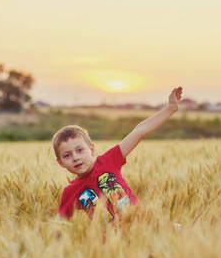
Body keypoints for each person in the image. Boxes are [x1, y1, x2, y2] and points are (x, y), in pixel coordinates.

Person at [53, 87, 183, 222]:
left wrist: (170, 108)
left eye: (80, 150)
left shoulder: (108, 161)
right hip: (113, 242)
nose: (75, 158)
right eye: (67, 155)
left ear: (92, 149)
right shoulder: (70, 192)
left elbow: (139, 131)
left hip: (145, 229)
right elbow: (58, 224)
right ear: (60, 162)